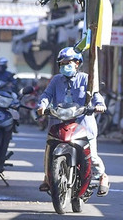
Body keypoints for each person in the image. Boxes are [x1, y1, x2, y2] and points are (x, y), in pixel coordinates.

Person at [37, 46, 109, 196]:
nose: (65, 66)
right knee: (49, 151)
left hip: (83, 123)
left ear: (77, 63)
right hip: (58, 123)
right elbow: (46, 94)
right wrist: (42, 105)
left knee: (93, 157)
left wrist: (99, 105)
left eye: (68, 63)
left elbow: (95, 94)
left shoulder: (86, 78)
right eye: (62, 63)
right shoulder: (56, 80)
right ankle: (47, 178)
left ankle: (102, 176)